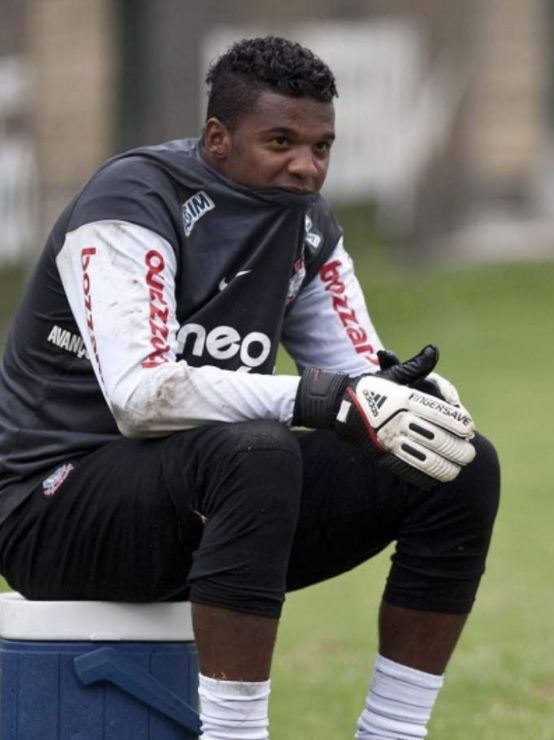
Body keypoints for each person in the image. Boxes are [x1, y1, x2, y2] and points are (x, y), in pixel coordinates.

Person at [0, 36, 500, 739]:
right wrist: (323, 400)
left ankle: (393, 731)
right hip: (50, 512)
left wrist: (405, 395)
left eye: (321, 147)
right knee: (257, 450)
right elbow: (141, 396)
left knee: (455, 462)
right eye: (281, 142)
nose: (306, 166)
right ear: (218, 138)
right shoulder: (132, 200)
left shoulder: (308, 225)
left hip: (207, 507)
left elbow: (357, 375)